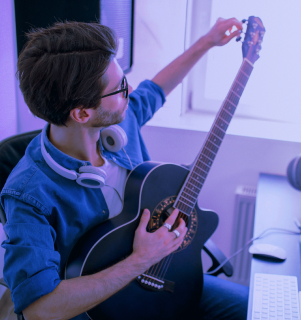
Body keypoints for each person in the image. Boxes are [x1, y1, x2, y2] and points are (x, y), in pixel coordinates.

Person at [1, 18, 248, 320]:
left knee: (256, 309)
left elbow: (156, 89)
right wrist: (140, 259)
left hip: (165, 281)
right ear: (82, 113)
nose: (129, 90)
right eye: (119, 88)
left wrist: (207, 42)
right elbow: (41, 308)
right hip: (100, 311)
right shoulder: (27, 195)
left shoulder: (117, 118)